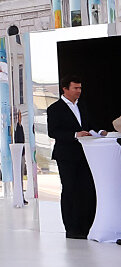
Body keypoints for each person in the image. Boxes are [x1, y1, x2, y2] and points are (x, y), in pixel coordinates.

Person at [47, 75, 97, 239]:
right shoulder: (55, 109)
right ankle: (71, 228)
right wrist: (75, 134)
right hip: (66, 156)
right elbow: (53, 132)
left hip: (85, 155)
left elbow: (89, 126)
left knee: (86, 190)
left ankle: (85, 226)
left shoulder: (82, 106)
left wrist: (99, 132)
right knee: (70, 190)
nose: (79, 91)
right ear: (65, 89)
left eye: (80, 88)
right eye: (75, 88)